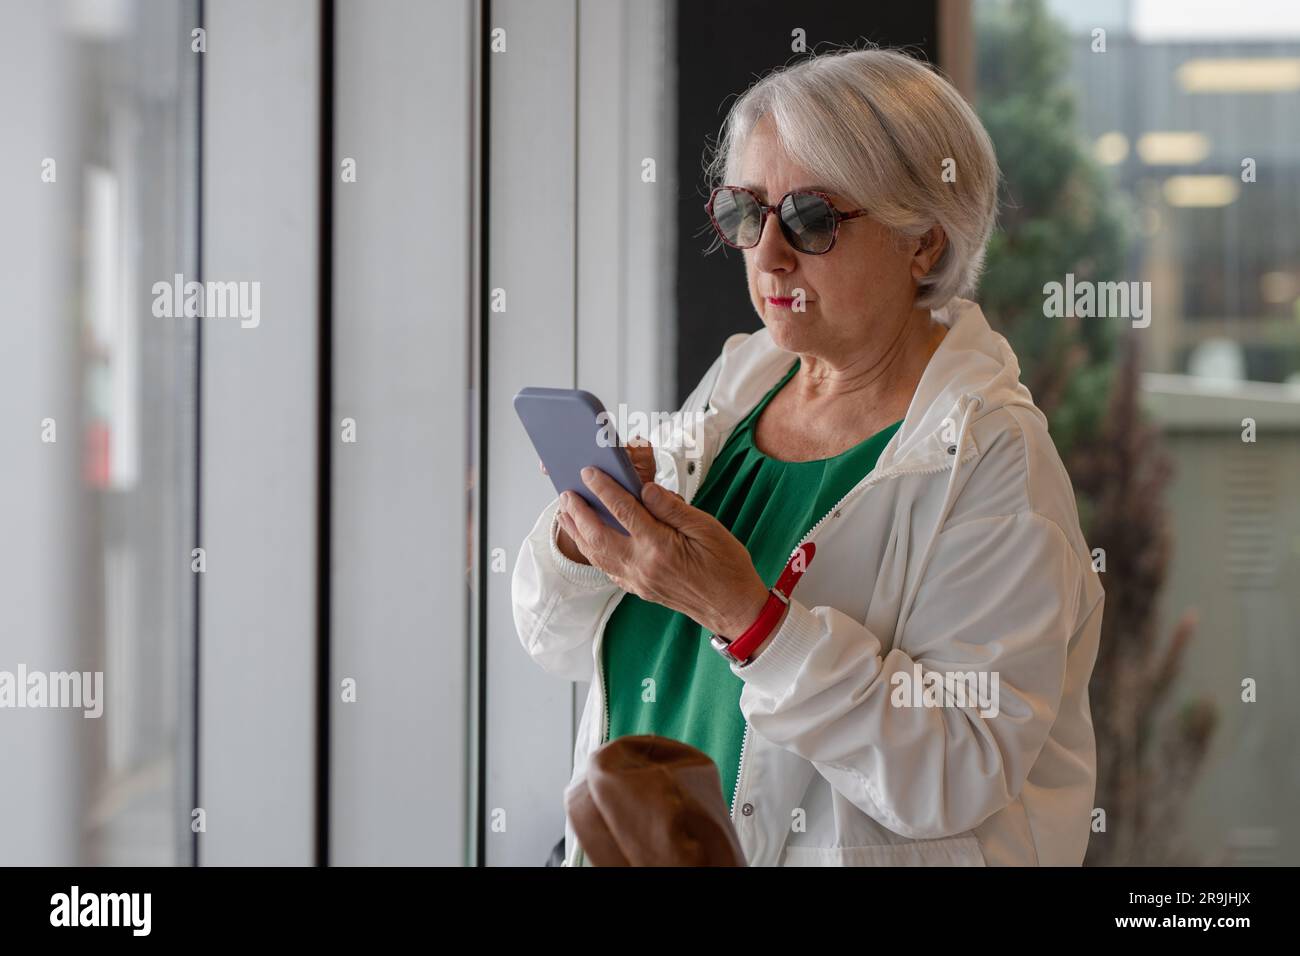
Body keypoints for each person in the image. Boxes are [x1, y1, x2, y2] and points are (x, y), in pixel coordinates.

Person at [513, 47, 1104, 866]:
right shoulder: (739, 385)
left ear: (924, 244)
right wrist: (582, 547)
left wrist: (752, 623)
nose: (768, 254)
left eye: (812, 219)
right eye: (748, 212)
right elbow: (560, 643)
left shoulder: (994, 459)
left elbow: (957, 770)